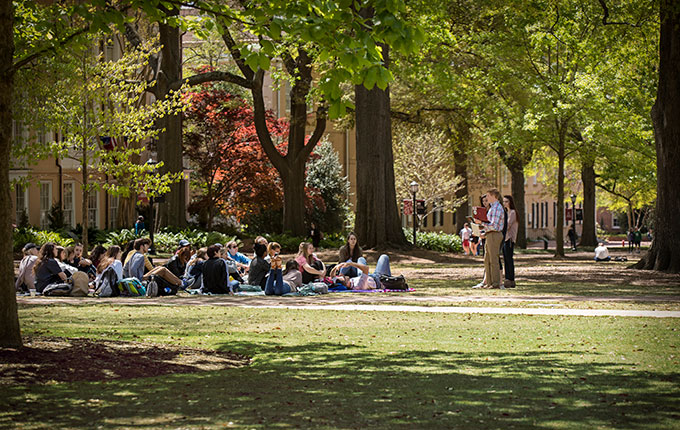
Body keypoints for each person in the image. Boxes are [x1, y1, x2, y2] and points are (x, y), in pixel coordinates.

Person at [474, 188, 505, 289]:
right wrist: (481, 230)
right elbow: (489, 224)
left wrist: (481, 223)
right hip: (489, 234)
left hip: (494, 234)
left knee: (493, 259)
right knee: (487, 259)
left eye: (488, 196)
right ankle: (489, 282)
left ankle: (496, 283)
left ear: (493, 196)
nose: (486, 198)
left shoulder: (497, 208)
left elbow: (494, 226)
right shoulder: (493, 208)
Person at [502, 195, 518, 288]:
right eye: (504, 202)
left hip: (510, 239)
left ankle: (511, 279)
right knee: (505, 259)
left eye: (506, 201)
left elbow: (507, 225)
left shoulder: (512, 213)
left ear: (510, 202)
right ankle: (507, 278)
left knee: (509, 259)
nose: (505, 203)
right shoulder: (506, 213)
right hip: (505, 238)